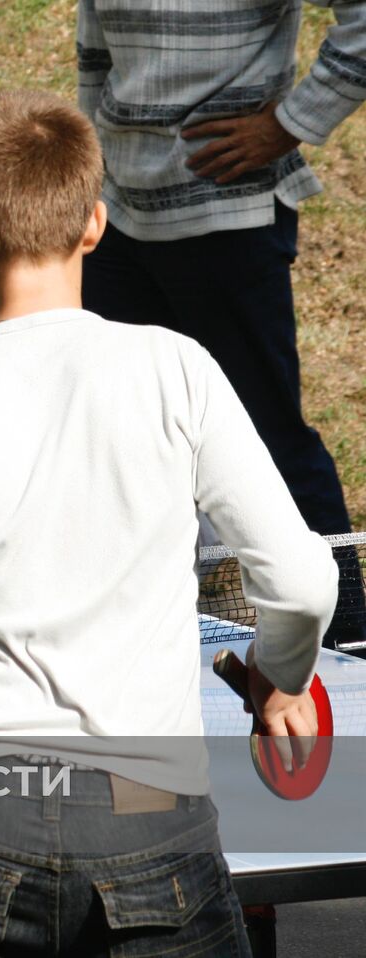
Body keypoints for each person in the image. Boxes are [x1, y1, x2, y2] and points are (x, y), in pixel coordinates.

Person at [0, 90, 337, 957]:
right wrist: (279, 677)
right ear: (96, 224)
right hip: (151, 824)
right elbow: (307, 580)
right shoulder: (180, 371)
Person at [76, 0, 366, 650]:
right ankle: (136, 635)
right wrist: (87, 177)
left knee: (270, 437)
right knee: (123, 438)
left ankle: (350, 644)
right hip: (118, 221)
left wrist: (290, 124)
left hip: (228, 223)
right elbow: (94, 46)